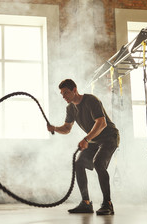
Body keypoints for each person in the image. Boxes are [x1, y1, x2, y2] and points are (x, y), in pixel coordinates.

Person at [47, 79, 119, 215]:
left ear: (75, 90)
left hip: (109, 137)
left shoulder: (91, 100)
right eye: (62, 94)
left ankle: (107, 204)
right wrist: (54, 128)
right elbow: (67, 128)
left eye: (66, 93)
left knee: (98, 163)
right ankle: (86, 203)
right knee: (79, 164)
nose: (64, 97)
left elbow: (101, 123)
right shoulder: (70, 108)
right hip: (94, 140)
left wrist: (86, 139)